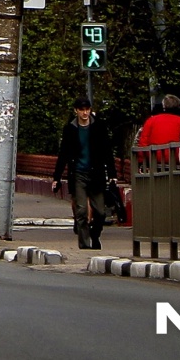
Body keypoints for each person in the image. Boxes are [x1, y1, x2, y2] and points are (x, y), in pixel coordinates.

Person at [51, 98, 117, 250]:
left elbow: (107, 150)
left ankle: (95, 234)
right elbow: (64, 154)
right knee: (81, 211)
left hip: (96, 174)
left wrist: (112, 173)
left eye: (87, 109)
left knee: (100, 212)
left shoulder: (98, 127)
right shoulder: (70, 129)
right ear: (76, 111)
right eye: (81, 110)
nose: (85, 112)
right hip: (78, 174)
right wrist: (57, 177)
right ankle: (85, 244)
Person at [135, 93, 180, 168]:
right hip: (176, 159)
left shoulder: (151, 120)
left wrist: (141, 161)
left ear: (163, 106)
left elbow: (143, 142)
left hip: (154, 159)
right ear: (178, 106)